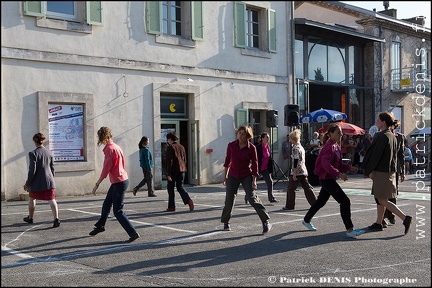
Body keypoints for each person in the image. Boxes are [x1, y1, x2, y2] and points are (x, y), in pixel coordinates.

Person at [301, 123, 365, 238]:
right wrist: (339, 174)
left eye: (341, 132)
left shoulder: (336, 146)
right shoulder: (328, 147)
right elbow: (326, 165)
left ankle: (306, 220)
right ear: (331, 134)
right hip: (326, 179)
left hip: (328, 178)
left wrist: (349, 167)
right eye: (338, 132)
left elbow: (339, 164)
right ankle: (350, 230)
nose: (341, 134)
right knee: (345, 201)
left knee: (320, 202)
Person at [362, 112, 412, 235]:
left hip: (381, 172)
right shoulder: (392, 136)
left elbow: (375, 155)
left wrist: (368, 170)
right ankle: (379, 222)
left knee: (382, 199)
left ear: (383, 122)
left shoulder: (381, 136)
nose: (376, 122)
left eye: (378, 120)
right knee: (381, 199)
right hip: (389, 171)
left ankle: (405, 218)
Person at [89, 126, 140, 243]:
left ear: (103, 137)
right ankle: (101, 226)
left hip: (119, 182)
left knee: (118, 211)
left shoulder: (110, 149)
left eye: (100, 137)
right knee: (107, 203)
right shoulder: (116, 146)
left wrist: (97, 184)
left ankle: (133, 233)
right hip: (120, 180)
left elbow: (106, 168)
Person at [221, 125, 272, 234]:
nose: (240, 135)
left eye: (243, 133)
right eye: (239, 133)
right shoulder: (231, 145)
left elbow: (255, 164)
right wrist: (225, 176)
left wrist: (254, 180)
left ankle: (265, 221)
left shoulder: (251, 148)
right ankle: (226, 222)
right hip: (233, 175)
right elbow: (227, 162)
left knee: (252, 198)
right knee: (229, 199)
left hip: (246, 175)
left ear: (247, 136)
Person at [23, 133, 60, 228]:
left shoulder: (33, 153)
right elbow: (52, 168)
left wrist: (28, 183)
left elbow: (32, 170)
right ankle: (56, 219)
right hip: (49, 180)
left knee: (32, 198)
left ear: (35, 141)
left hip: (36, 182)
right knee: (52, 199)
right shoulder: (49, 153)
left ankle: (30, 218)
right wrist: (52, 178)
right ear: (42, 141)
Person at [283, 129, 317, 210]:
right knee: (307, 188)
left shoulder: (295, 148)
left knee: (291, 189)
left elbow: (295, 160)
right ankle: (315, 203)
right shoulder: (301, 147)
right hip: (303, 170)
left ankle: (290, 206)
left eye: (290, 139)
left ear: (293, 139)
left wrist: (294, 172)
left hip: (297, 171)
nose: (290, 140)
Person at [383, 119, 405, 226]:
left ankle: (391, 216)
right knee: (382, 194)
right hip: (383, 169)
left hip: (395, 169)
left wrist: (402, 172)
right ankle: (383, 217)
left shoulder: (400, 137)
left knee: (393, 193)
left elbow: (401, 155)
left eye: (393, 126)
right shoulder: (382, 135)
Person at [165, 131, 194, 212]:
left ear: (170, 139)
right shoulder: (182, 147)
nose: (167, 141)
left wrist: (168, 174)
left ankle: (171, 206)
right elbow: (184, 159)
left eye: (168, 139)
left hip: (173, 170)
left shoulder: (170, 147)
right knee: (180, 187)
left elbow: (169, 161)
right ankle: (188, 200)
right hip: (182, 169)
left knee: (170, 188)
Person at [256, 132, 278, 203]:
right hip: (258, 167)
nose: (268, 139)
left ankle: (271, 198)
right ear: (262, 138)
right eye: (266, 137)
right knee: (252, 183)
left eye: (268, 137)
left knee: (270, 182)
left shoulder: (268, 147)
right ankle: (248, 196)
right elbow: (256, 158)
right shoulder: (258, 147)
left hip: (265, 168)